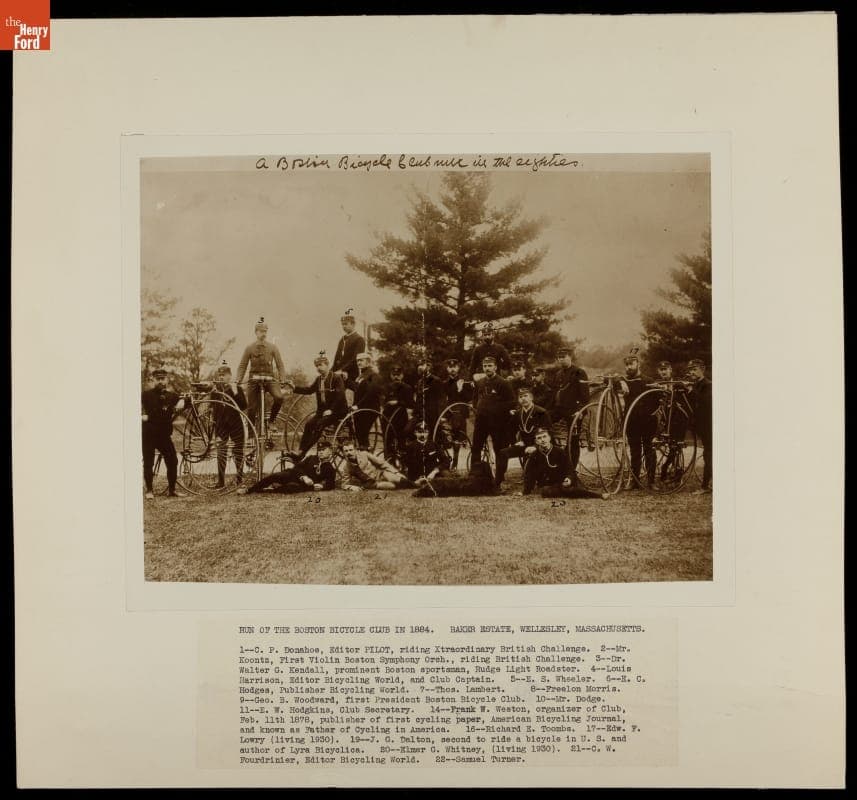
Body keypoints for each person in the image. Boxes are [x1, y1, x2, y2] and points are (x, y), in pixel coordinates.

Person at [286, 351, 348, 459]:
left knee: (320, 424)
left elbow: (340, 396)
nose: (318, 368)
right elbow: (309, 390)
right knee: (309, 424)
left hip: (337, 411)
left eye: (321, 365)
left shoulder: (336, 378)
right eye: (317, 366)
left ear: (327, 365)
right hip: (323, 412)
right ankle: (300, 451)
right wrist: (294, 387)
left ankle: (302, 452)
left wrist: (332, 410)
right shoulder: (319, 379)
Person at [236, 317, 287, 436]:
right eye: (261, 331)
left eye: (265, 331)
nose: (263, 334)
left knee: (279, 397)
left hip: (269, 379)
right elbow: (243, 365)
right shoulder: (249, 348)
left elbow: (280, 365)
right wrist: (238, 378)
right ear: (256, 332)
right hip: (254, 380)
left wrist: (282, 378)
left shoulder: (273, 347)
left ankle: (272, 421)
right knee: (252, 408)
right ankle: (251, 432)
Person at [495, 386, 553, 489]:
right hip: (525, 445)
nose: (523, 399)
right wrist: (515, 443)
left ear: (531, 398)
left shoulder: (541, 412)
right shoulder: (518, 414)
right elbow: (510, 430)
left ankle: (540, 479)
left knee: (538, 479)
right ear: (518, 400)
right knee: (503, 453)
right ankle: (497, 483)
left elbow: (548, 433)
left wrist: (535, 446)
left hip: (542, 445)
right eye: (521, 397)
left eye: (526, 396)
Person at [522, 428, 607, 499]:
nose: (543, 440)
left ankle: (596, 495)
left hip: (562, 481)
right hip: (547, 484)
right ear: (536, 442)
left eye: (544, 437)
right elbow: (529, 474)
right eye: (539, 438)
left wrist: (569, 478)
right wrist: (526, 491)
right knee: (546, 491)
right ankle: (569, 492)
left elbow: (569, 468)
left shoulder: (559, 451)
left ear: (549, 438)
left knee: (565, 489)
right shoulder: (535, 455)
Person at [141, 368, 185, 499]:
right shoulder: (146, 395)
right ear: (153, 380)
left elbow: (184, 402)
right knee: (149, 462)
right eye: (158, 379)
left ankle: (172, 490)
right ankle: (149, 490)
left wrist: (183, 401)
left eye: (163, 379)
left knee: (173, 460)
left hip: (164, 435)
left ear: (167, 379)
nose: (161, 381)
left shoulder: (172, 396)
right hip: (148, 434)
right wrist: (142, 416)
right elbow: (154, 412)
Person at [471, 355, 516, 479]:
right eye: (485, 366)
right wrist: (479, 408)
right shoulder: (480, 382)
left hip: (498, 422)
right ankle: (474, 475)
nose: (487, 368)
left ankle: (499, 478)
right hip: (481, 421)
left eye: (490, 366)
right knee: (476, 447)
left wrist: (496, 408)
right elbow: (475, 399)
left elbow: (512, 402)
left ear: (495, 367)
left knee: (499, 449)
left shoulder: (503, 383)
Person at [237, 440, 337, 494]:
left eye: (323, 449)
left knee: (292, 488)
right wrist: (304, 477)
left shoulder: (329, 468)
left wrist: (322, 486)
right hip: (293, 475)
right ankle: (249, 490)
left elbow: (331, 483)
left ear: (330, 451)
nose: (320, 452)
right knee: (275, 476)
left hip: (304, 486)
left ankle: (271, 490)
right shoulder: (311, 458)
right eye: (319, 449)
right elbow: (297, 467)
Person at [622, 349, 658, 489]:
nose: (628, 367)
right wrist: (620, 381)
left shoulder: (648, 381)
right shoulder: (625, 380)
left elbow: (658, 401)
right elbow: (609, 378)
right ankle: (635, 481)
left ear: (638, 364)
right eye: (626, 365)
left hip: (648, 421)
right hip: (631, 421)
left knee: (649, 451)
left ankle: (651, 481)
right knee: (634, 451)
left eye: (631, 364)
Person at [552, 347, 590, 477]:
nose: (561, 359)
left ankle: (571, 472)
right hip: (560, 409)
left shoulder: (579, 372)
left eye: (564, 357)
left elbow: (585, 396)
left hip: (574, 411)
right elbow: (556, 394)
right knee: (544, 422)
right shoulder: (558, 374)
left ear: (570, 357)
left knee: (573, 441)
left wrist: (580, 411)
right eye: (559, 357)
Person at [210, 361, 248, 488]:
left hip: (236, 424)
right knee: (221, 452)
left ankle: (239, 480)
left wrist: (235, 391)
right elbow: (213, 410)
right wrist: (215, 429)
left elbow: (243, 406)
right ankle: (221, 482)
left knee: (238, 452)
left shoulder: (237, 388)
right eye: (220, 375)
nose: (222, 377)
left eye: (224, 375)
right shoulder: (215, 391)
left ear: (230, 376)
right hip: (221, 425)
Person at [654, 360, 692, 483]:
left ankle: (673, 470)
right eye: (661, 370)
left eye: (666, 369)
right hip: (665, 420)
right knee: (669, 445)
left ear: (671, 370)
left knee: (676, 447)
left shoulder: (678, 383)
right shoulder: (658, 385)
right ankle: (671, 470)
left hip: (678, 420)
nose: (663, 372)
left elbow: (686, 397)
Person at [439, 357, 474, 466]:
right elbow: (441, 400)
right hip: (448, 410)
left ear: (458, 368)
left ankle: (455, 459)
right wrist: (443, 413)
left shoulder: (465, 383)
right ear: (447, 369)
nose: (452, 369)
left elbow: (468, 398)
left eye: (454, 367)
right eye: (450, 367)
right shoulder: (444, 384)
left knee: (457, 419)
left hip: (461, 410)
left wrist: (460, 389)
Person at [348, 351, 385, 449]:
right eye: (357, 361)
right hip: (359, 410)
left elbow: (371, 393)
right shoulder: (360, 376)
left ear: (368, 362)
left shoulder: (373, 376)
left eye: (361, 360)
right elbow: (357, 391)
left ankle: (365, 455)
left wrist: (358, 405)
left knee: (362, 433)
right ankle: (363, 453)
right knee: (359, 435)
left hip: (370, 409)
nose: (358, 363)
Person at [340, 440, 410, 491]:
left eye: (350, 450)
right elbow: (344, 484)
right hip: (372, 483)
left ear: (355, 450)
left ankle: (416, 484)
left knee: (397, 479)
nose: (349, 453)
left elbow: (382, 463)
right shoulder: (347, 467)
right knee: (392, 486)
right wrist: (352, 487)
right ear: (344, 453)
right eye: (346, 451)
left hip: (381, 474)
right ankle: (414, 484)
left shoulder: (364, 454)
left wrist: (396, 472)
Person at [687, 358, 713, 493]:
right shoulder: (696, 385)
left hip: (710, 426)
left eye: (694, 369)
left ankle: (705, 486)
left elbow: (705, 403)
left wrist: (691, 391)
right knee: (708, 453)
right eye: (690, 369)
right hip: (702, 426)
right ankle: (709, 483)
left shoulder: (708, 385)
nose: (691, 372)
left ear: (702, 370)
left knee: (709, 454)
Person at [407, 355, 445, 438]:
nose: (419, 367)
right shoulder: (420, 382)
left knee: (434, 438)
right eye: (419, 365)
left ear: (429, 367)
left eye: (422, 365)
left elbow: (441, 399)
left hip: (432, 415)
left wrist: (441, 416)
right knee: (408, 430)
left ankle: (442, 445)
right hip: (419, 415)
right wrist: (413, 414)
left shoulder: (436, 380)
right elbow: (418, 399)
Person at [382, 364, 413, 456]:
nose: (396, 377)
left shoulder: (407, 388)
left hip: (400, 418)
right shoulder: (386, 387)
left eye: (398, 375)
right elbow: (383, 401)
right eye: (394, 375)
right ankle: (388, 461)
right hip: (387, 417)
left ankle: (402, 462)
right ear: (391, 376)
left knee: (401, 441)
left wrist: (398, 402)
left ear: (402, 375)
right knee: (387, 440)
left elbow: (411, 404)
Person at [332, 309, 366, 386]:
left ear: (353, 324)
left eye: (346, 324)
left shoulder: (359, 339)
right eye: (342, 324)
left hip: (351, 375)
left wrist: (342, 370)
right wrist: (331, 371)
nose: (343, 326)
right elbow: (337, 358)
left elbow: (355, 359)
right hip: (339, 373)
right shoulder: (342, 339)